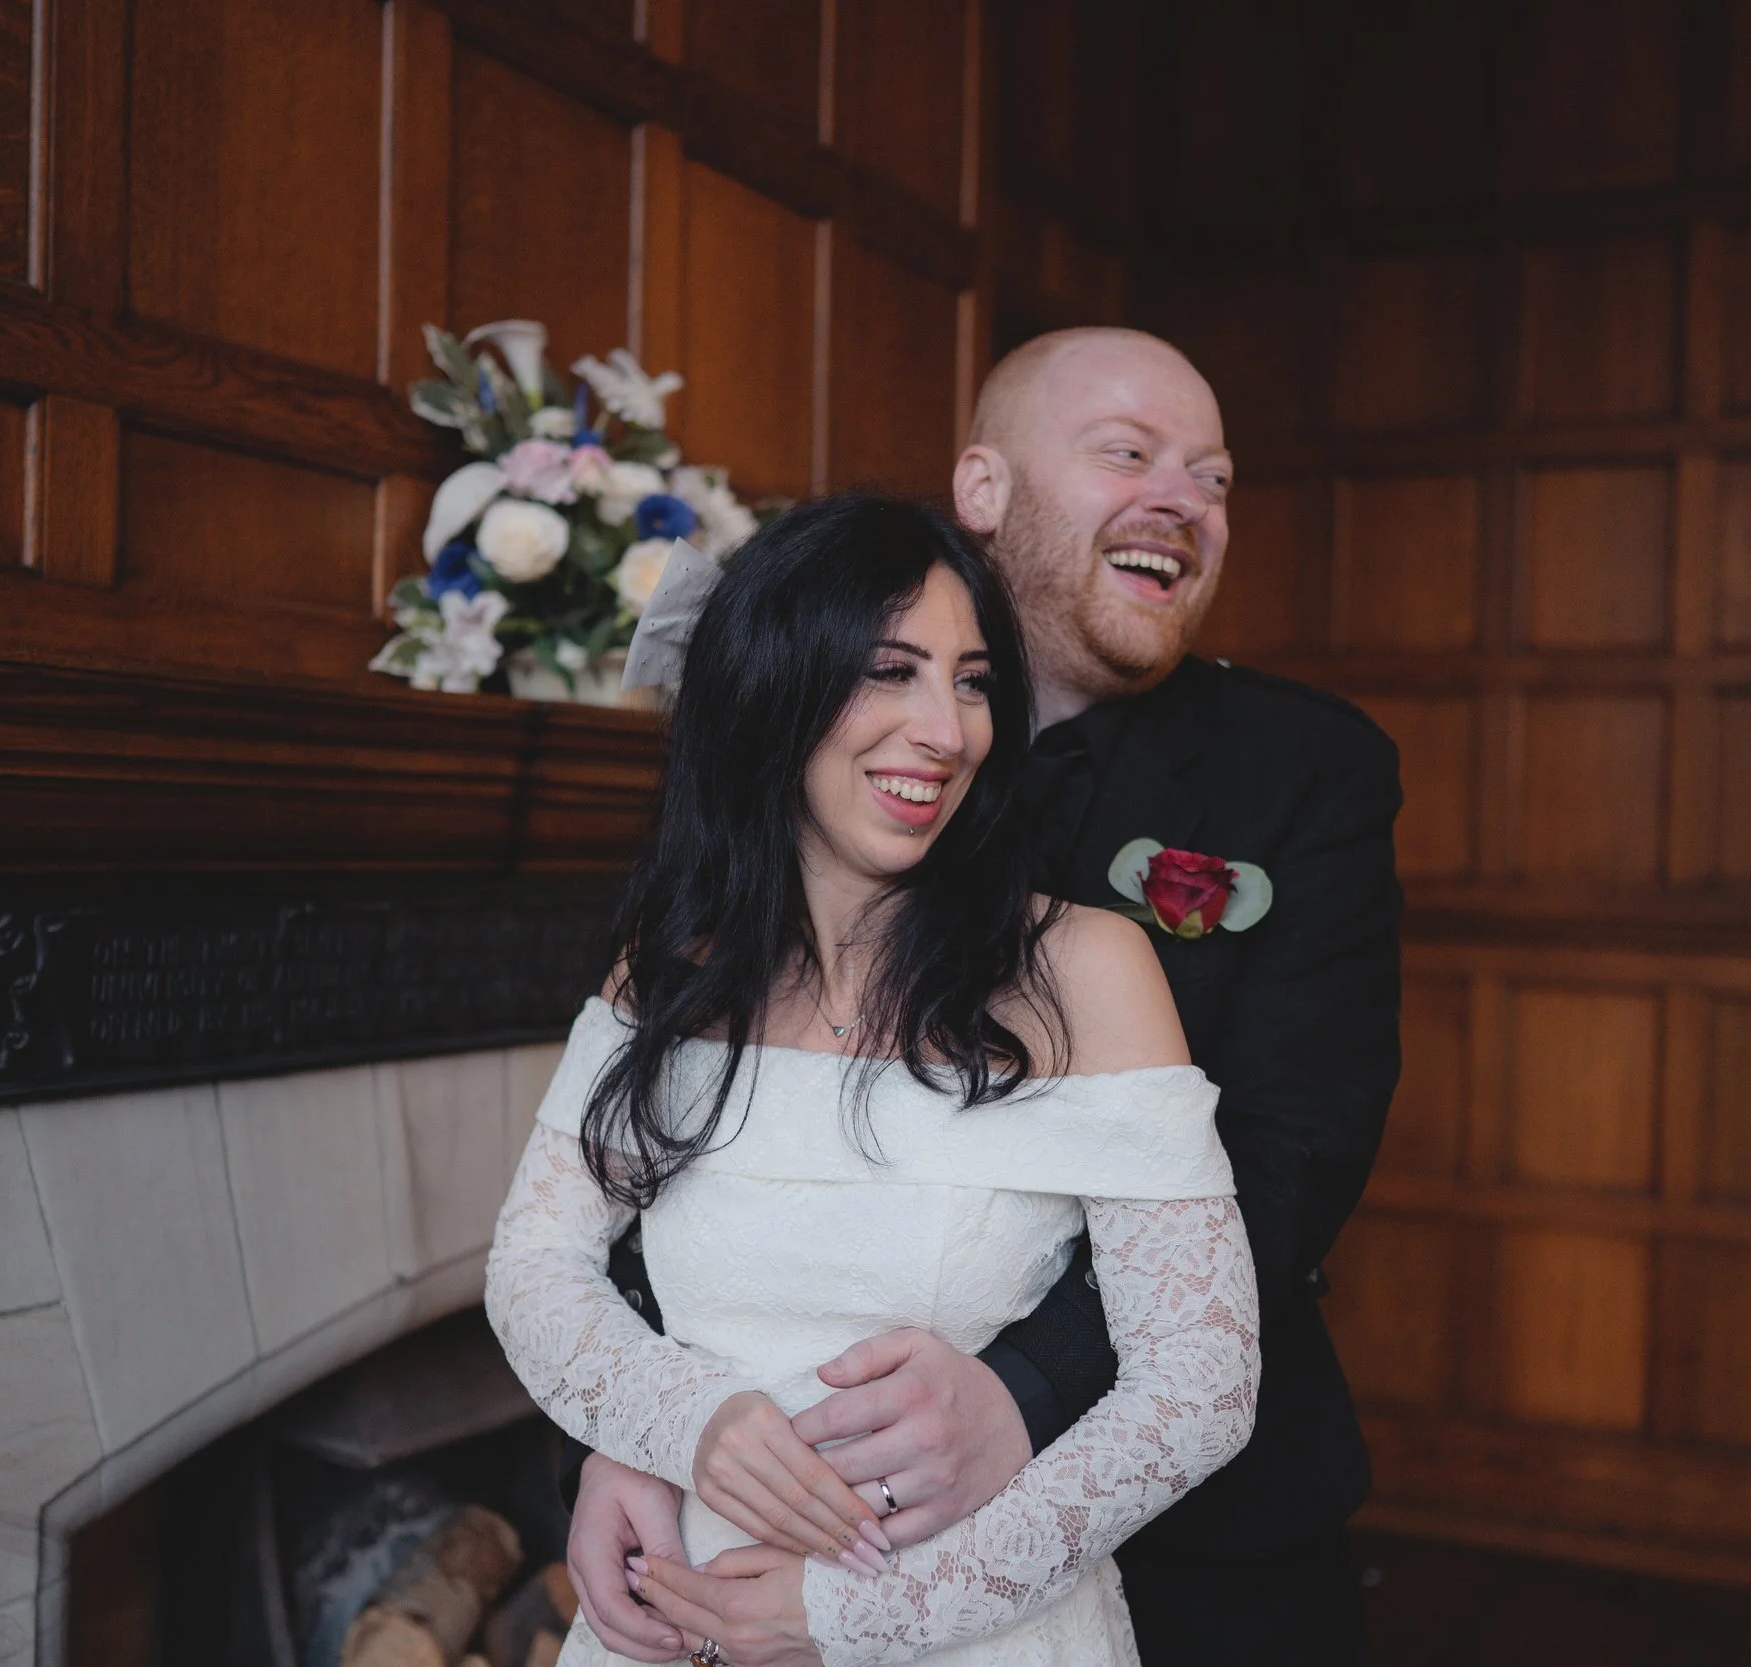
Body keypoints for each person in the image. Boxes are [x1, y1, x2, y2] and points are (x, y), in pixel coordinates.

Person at [567, 328, 1402, 1663]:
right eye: (1129, 453)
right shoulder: (815, 745)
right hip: (807, 1508)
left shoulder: (1308, 770)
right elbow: (691, 1111)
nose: (1183, 498)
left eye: (1215, 476)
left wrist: (1024, 1389)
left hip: (1204, 1538)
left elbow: (1291, 1148)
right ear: (984, 488)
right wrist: (641, 1427)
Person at [486, 493, 1263, 1666]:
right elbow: (535, 1265)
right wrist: (669, 1428)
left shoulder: (1082, 968)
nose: (944, 729)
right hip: (677, 1619)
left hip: (970, 1630)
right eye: (889, 670)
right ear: (774, 688)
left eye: (970, 679)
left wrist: (863, 1616)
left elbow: (1201, 1382)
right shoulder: (675, 965)